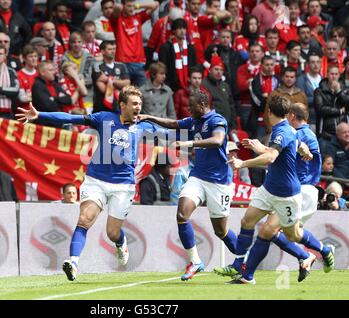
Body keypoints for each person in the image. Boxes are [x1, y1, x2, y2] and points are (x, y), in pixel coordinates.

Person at [16, 85, 169, 281]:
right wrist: (40, 115)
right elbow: (71, 118)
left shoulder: (145, 126)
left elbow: (174, 128)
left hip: (123, 186)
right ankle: (73, 262)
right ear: (122, 105)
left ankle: (121, 244)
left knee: (112, 233)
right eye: (134, 104)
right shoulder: (104, 118)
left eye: (140, 104)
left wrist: (192, 134)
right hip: (96, 180)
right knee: (84, 220)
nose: (139, 107)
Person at [217, 95, 326, 284]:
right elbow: (295, 145)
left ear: (268, 111)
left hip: (286, 195)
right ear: (287, 113)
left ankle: (317, 251)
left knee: (294, 235)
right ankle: (241, 267)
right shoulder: (287, 130)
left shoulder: (280, 132)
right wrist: (304, 151)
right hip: (269, 190)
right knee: (247, 220)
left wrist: (243, 163)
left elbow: (271, 158)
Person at [138, 91, 238, 281]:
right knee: (182, 214)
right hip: (198, 177)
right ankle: (195, 261)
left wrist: (189, 143)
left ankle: (243, 259)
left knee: (221, 231)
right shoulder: (193, 120)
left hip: (219, 182)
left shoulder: (217, 120)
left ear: (202, 105)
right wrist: (149, 116)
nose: (189, 110)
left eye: (191, 107)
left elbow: (217, 141)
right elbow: (173, 123)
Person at [110, 0, 159, 87]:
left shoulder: (138, 17)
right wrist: (125, 6)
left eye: (133, 6)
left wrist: (136, 5)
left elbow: (155, 4)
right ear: (123, 5)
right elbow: (117, 8)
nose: (132, 8)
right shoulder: (117, 19)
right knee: (125, 94)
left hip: (138, 62)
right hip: (123, 62)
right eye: (129, 6)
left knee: (143, 94)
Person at [158, 18, 197, 92]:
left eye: (184, 28)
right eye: (179, 28)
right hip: (171, 85)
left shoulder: (190, 48)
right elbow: (163, 67)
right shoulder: (166, 47)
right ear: (174, 30)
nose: (182, 31)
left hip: (188, 85)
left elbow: (193, 66)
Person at [91, 40, 130, 113]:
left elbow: (127, 83)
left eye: (114, 49)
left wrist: (109, 79)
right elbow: (103, 89)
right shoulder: (97, 66)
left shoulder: (121, 66)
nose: (113, 51)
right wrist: (119, 85)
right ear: (102, 51)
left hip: (119, 107)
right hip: (102, 108)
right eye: (109, 49)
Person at [314, 65, 349, 139]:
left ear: (339, 75)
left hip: (344, 131)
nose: (334, 76)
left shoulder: (345, 90)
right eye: (332, 74)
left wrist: (339, 92)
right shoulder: (319, 91)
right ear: (327, 74)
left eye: (336, 74)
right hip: (325, 132)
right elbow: (320, 109)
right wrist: (339, 111)